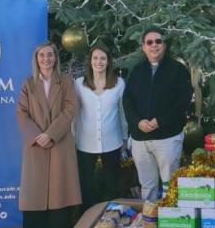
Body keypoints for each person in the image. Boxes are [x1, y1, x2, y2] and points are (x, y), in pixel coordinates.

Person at [16, 42, 81, 228]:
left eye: (50, 55)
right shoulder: (28, 84)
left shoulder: (65, 81)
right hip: (36, 144)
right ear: (36, 59)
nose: (46, 59)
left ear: (55, 58)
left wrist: (51, 134)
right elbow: (21, 113)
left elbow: (70, 109)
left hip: (59, 142)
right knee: (35, 191)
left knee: (59, 189)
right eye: (42, 55)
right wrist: (37, 136)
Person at [122, 28, 192, 201]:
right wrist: (137, 122)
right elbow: (127, 100)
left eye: (158, 41)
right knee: (147, 186)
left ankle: (171, 216)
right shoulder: (136, 71)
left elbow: (183, 101)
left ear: (164, 45)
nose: (154, 45)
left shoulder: (178, 70)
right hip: (140, 140)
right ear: (143, 47)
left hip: (167, 138)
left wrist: (160, 121)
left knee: (170, 185)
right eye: (149, 42)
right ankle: (149, 216)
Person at [73, 44, 128, 213]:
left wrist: (125, 138)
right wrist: (72, 137)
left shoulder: (119, 84)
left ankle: (111, 220)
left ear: (108, 61)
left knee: (112, 185)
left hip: (112, 142)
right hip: (84, 143)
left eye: (103, 58)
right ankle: (87, 221)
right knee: (86, 187)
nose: (99, 61)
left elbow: (122, 113)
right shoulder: (79, 84)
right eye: (95, 58)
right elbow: (74, 113)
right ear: (90, 61)